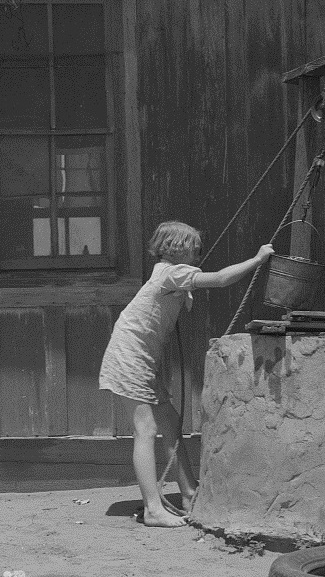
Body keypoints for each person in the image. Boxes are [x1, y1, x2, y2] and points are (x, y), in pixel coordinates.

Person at [99, 220, 274, 528]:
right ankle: (153, 509)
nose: (198, 254)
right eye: (194, 248)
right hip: (130, 356)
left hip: (141, 356)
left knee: (169, 423)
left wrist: (185, 292)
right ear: (178, 248)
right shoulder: (171, 272)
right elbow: (220, 279)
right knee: (146, 429)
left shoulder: (166, 274)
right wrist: (258, 259)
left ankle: (190, 494)